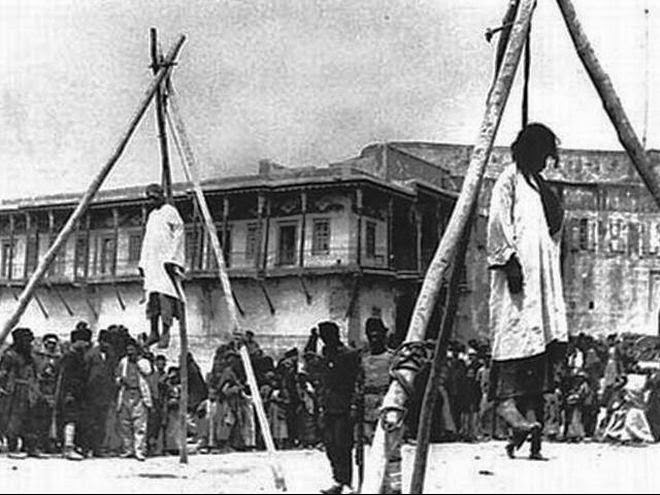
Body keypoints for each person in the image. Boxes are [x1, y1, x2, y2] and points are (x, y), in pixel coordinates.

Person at [487, 123, 569, 461]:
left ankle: (528, 432)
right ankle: (512, 413)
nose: (543, 162)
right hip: (518, 274)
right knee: (513, 338)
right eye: (539, 155)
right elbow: (497, 221)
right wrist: (509, 260)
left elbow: (555, 224)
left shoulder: (537, 184)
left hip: (539, 278)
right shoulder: (508, 179)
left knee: (535, 349)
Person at [317, 321, 362, 495]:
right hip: (328, 406)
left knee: (343, 445)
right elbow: (323, 381)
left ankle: (347, 482)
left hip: (344, 407)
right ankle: (337, 480)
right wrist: (321, 405)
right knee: (330, 445)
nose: (324, 339)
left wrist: (353, 405)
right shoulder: (325, 354)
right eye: (322, 336)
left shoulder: (349, 354)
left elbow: (356, 381)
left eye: (326, 335)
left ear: (334, 335)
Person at [138, 183, 185, 349]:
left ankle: (166, 333)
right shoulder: (152, 216)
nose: (151, 201)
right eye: (149, 198)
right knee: (152, 297)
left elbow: (179, 233)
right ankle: (153, 332)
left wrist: (173, 259)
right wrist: (142, 262)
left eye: (154, 197)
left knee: (165, 297)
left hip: (165, 262)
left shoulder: (170, 211)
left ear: (161, 196)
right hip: (152, 263)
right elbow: (147, 240)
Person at [0, 328, 40, 459]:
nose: (29, 344)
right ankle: (12, 446)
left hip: (29, 390)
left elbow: (34, 374)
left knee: (31, 418)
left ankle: (30, 446)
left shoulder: (30, 356)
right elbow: (3, 373)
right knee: (13, 419)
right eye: (26, 341)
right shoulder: (9, 355)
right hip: (14, 391)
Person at [58, 325, 93, 461]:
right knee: (70, 419)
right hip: (70, 392)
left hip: (78, 393)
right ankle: (68, 447)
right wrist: (68, 394)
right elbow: (65, 377)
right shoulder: (70, 356)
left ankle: (74, 446)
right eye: (84, 341)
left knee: (76, 419)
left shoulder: (79, 355)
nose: (86, 344)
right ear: (77, 341)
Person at [116, 339, 153, 461]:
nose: (130, 352)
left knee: (140, 425)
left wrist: (137, 362)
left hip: (139, 394)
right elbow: (117, 376)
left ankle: (140, 450)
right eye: (128, 350)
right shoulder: (123, 361)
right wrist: (120, 380)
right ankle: (128, 449)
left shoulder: (144, 362)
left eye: (132, 350)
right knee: (125, 424)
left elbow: (148, 372)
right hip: (126, 393)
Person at [83, 329, 118, 457]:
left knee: (101, 422)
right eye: (104, 342)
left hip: (105, 394)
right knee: (89, 422)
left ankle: (98, 448)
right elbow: (85, 373)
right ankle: (85, 448)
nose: (106, 345)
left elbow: (112, 373)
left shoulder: (111, 355)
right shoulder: (91, 354)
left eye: (108, 342)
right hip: (91, 394)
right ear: (100, 341)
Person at [33, 333, 62, 454]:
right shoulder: (37, 356)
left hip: (52, 389)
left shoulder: (58, 358)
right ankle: (37, 444)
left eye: (53, 343)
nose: (51, 345)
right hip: (39, 389)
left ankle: (48, 443)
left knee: (49, 419)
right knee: (38, 417)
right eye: (49, 343)